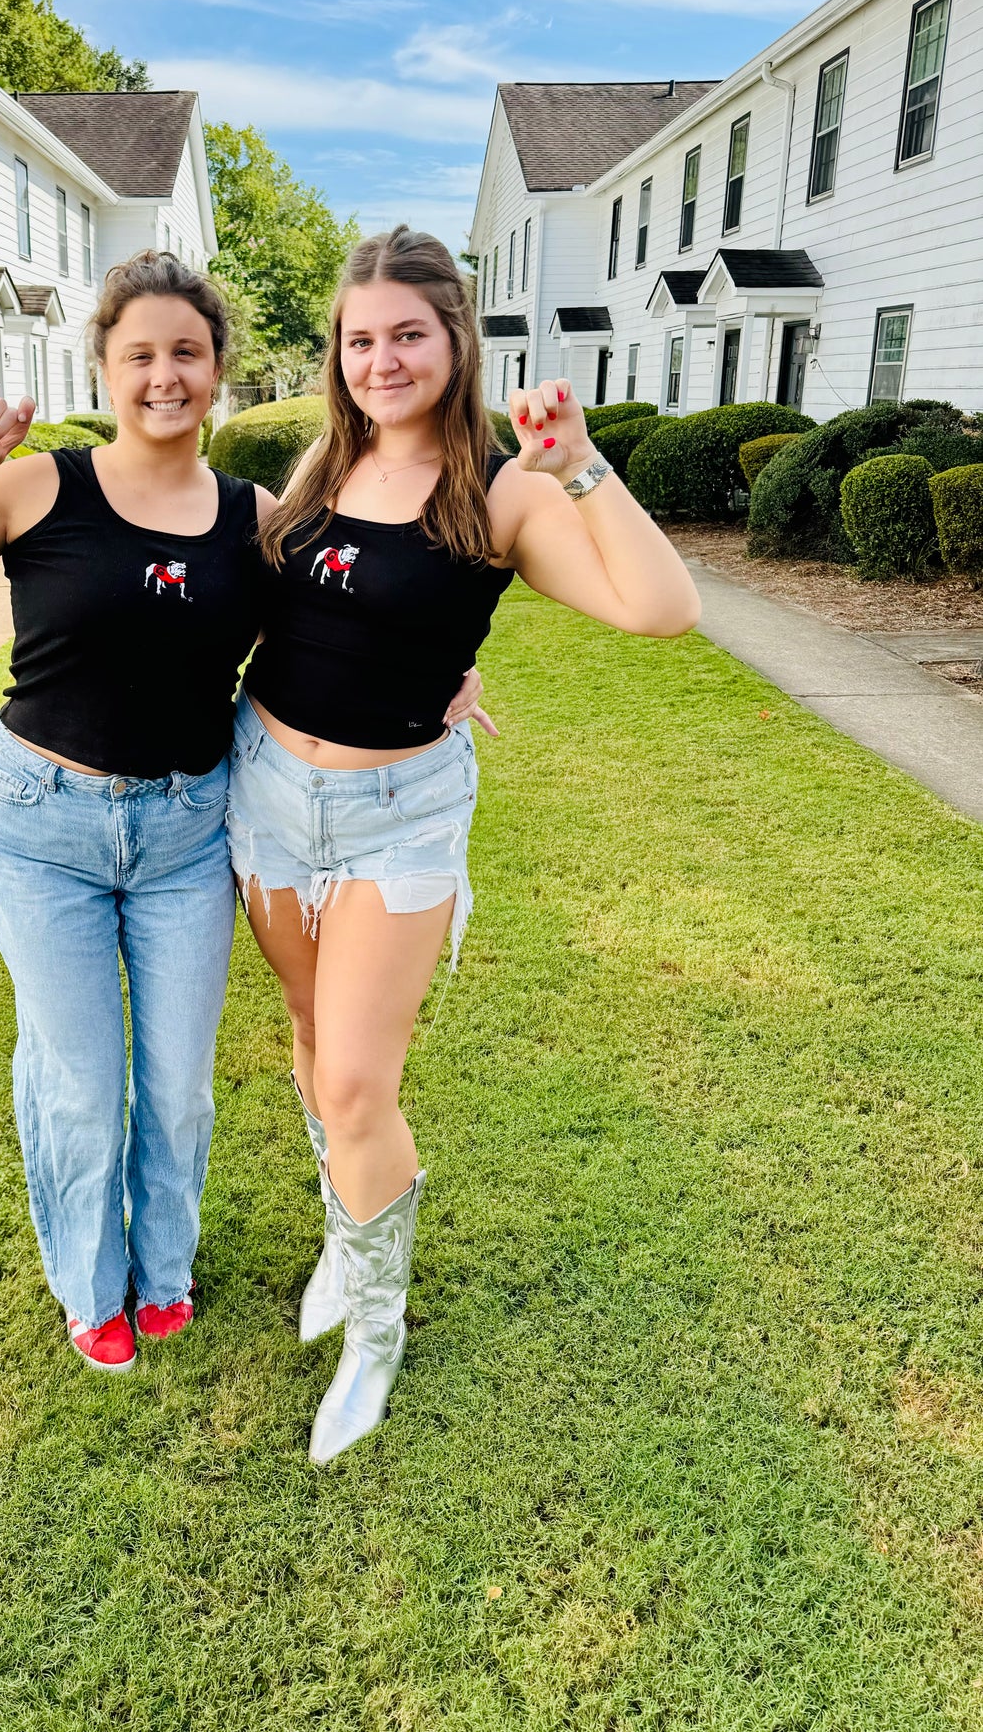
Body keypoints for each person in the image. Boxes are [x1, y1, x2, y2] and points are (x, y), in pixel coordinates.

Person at [0, 249, 486, 1379]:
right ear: (106, 366)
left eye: (187, 352)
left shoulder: (259, 517)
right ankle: (93, 1287)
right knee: (80, 1079)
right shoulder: (41, 487)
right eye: (140, 355)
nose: (164, 376)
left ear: (218, 367)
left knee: (175, 1083)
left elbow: (350, 621)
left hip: (189, 826)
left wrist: (441, 680)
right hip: (44, 823)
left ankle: (164, 1273)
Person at [227, 225, 701, 1463]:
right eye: (359, 338)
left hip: (398, 818)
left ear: (454, 341)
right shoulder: (322, 464)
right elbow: (298, 606)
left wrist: (586, 466)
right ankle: (345, 1237)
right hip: (265, 793)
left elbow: (661, 611)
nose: (380, 359)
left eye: (407, 335)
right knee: (309, 1036)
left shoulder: (500, 489)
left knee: (353, 1082)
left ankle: (374, 1330)